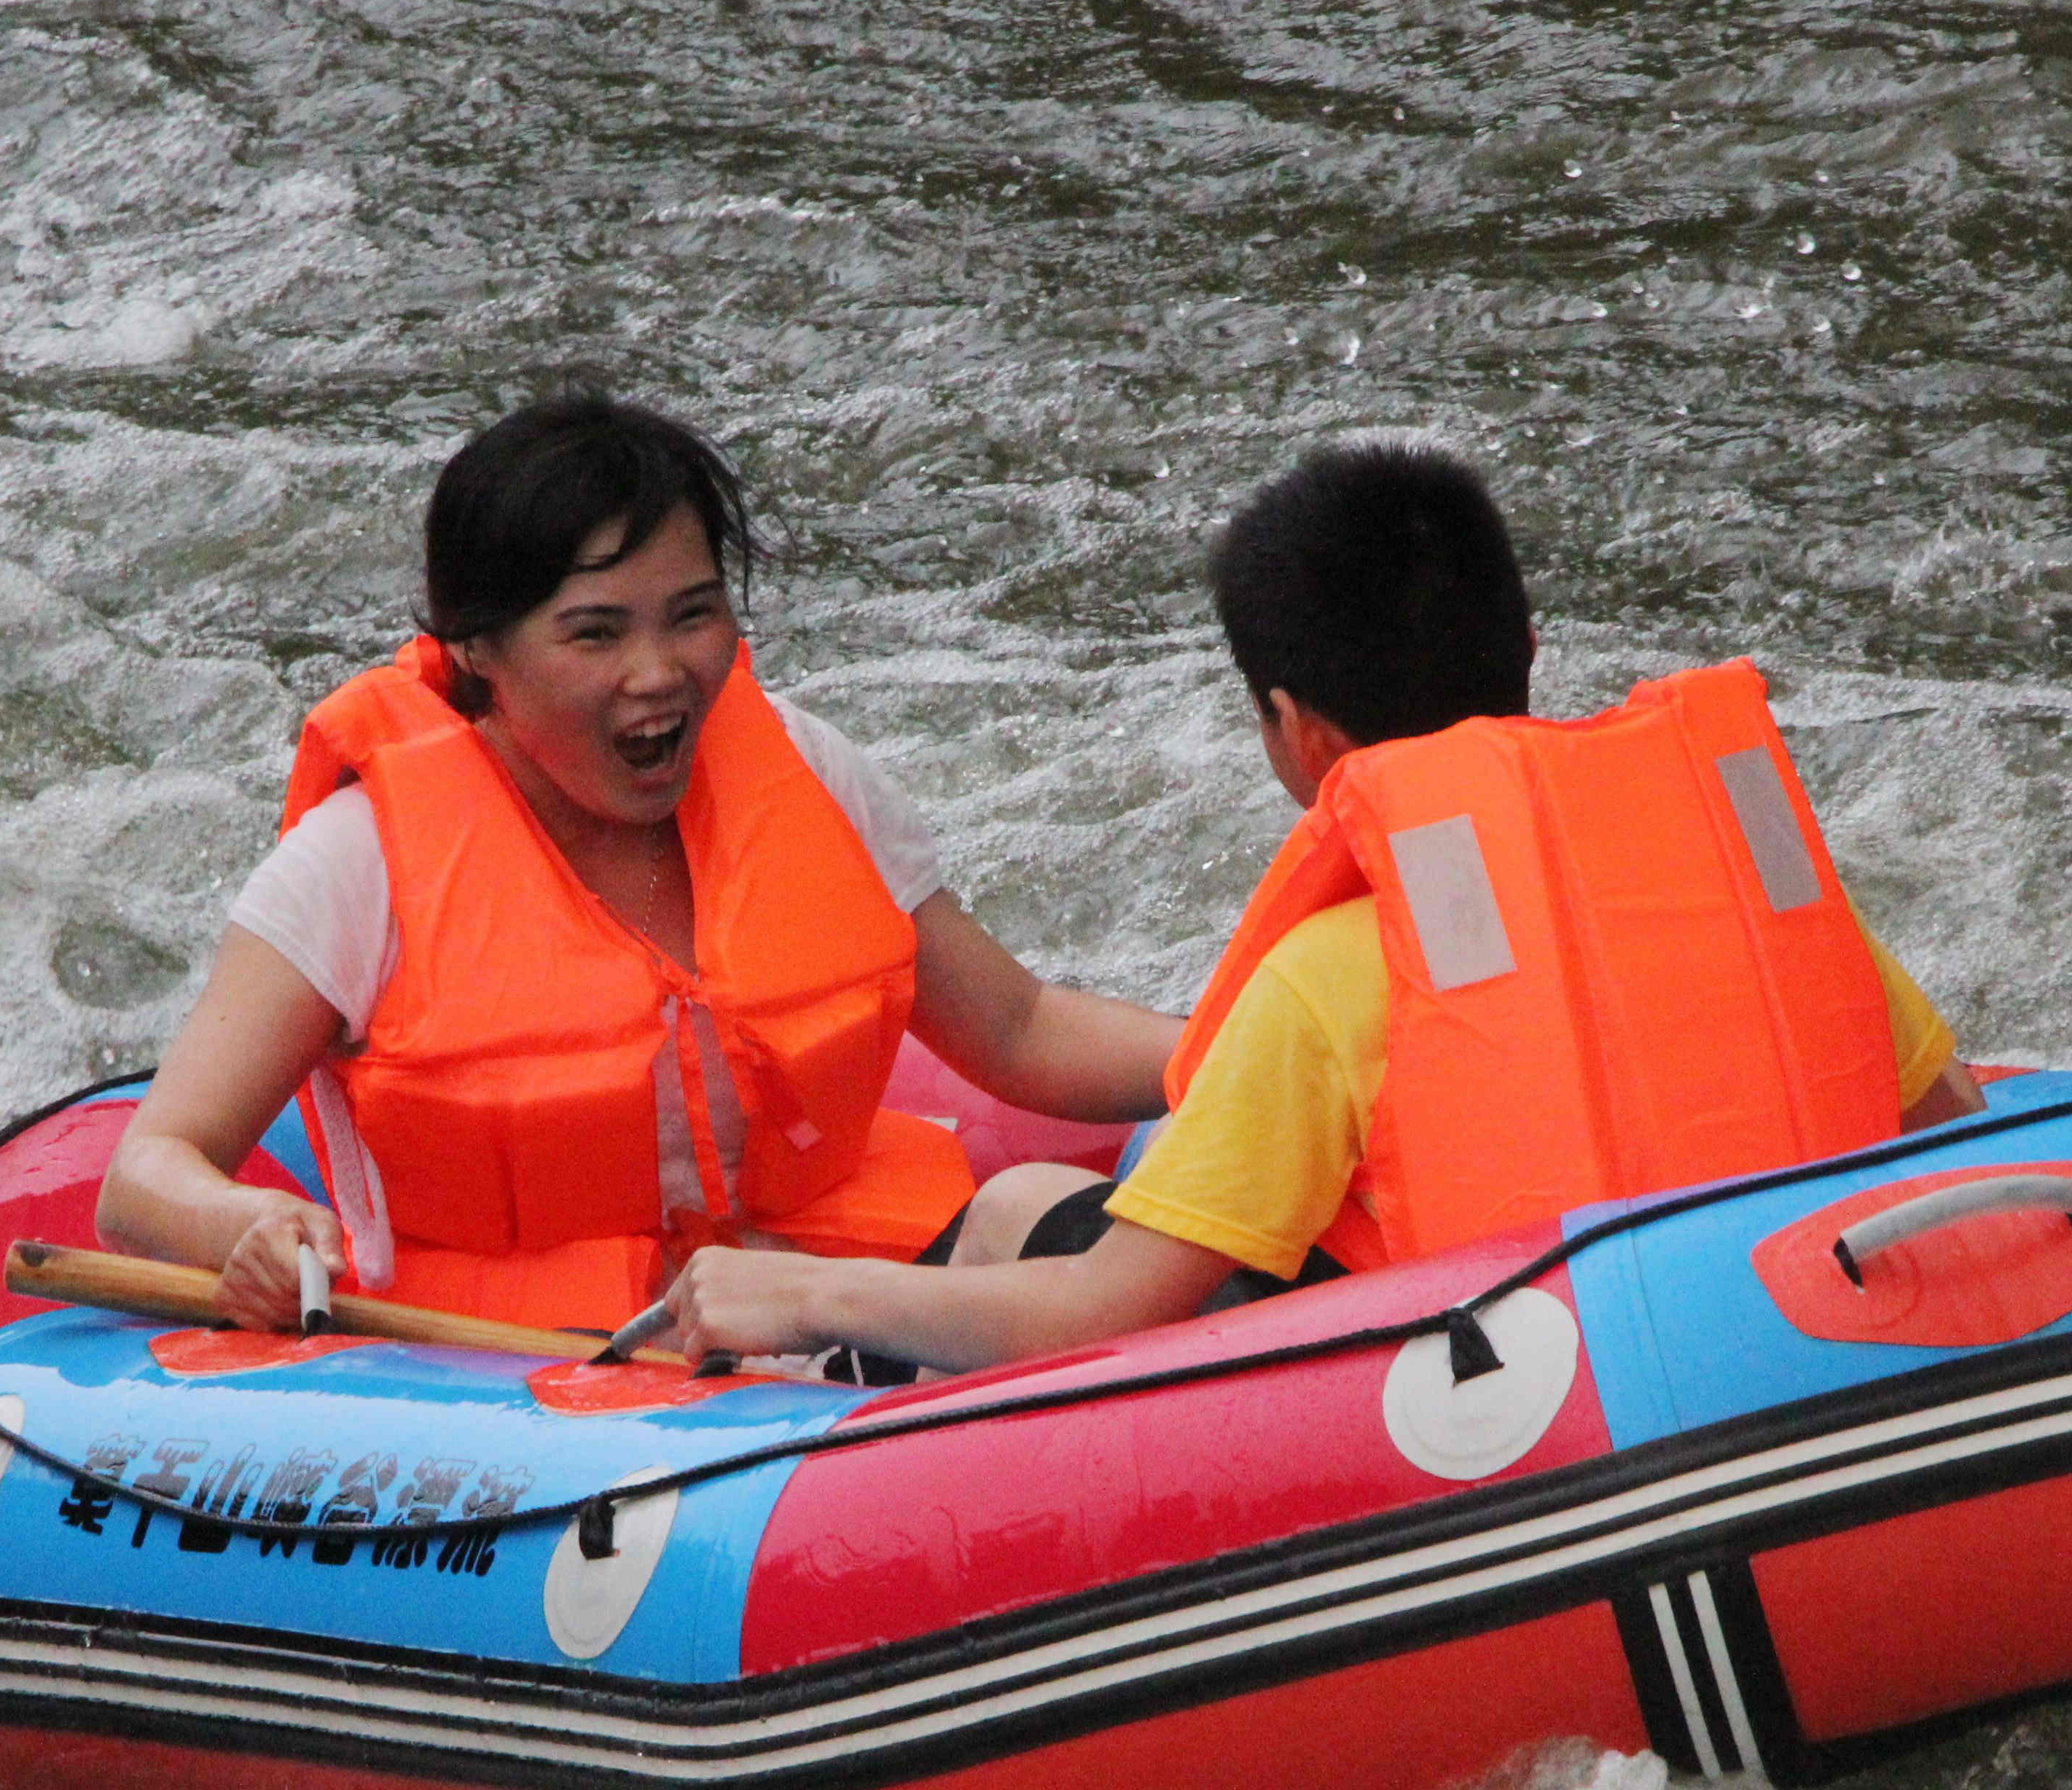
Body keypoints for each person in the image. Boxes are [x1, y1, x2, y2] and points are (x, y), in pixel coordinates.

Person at [653, 439, 1985, 1375]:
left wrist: (804, 1289)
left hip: (1494, 1411)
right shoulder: (1748, 894)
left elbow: (1099, 1313)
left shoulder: (1336, 976)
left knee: (1027, 1211)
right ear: (1527, 651)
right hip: (1779, 1343)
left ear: (1295, 733)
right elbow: (1948, 1129)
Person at [98, 392, 1180, 1332]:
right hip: (541, 1391)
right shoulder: (359, 865)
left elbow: (1021, 1030)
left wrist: (1268, 1055)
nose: (659, 674)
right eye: (596, 634)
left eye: (693, 616)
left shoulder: (803, 768)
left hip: (841, 1314)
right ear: (478, 650)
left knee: (1038, 1204)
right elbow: (149, 1172)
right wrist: (243, 1223)